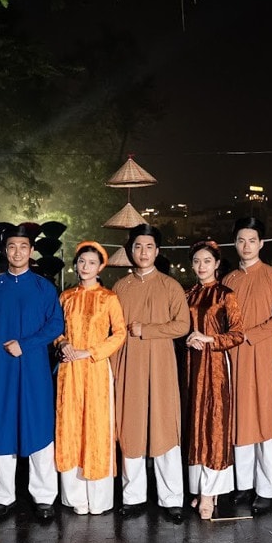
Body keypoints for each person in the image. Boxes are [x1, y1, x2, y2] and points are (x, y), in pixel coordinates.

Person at [0, 224, 64, 521]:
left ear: (31, 250)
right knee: (1, 425)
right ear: (5, 250)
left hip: (34, 368)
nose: (17, 252)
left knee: (39, 425)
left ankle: (43, 497)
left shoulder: (44, 287)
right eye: (12, 247)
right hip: (1, 369)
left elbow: (56, 326)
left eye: (23, 247)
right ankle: (2, 497)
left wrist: (26, 344)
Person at [113, 224, 190, 523]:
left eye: (149, 247)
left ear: (157, 252)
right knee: (131, 426)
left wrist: (148, 330)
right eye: (138, 247)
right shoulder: (120, 287)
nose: (143, 253)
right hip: (129, 362)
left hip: (160, 364)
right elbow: (114, 328)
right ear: (131, 251)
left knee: (163, 427)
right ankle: (133, 497)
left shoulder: (170, 286)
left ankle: (171, 498)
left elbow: (181, 325)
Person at [221, 217, 272, 515]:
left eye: (252, 240)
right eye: (241, 241)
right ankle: (244, 484)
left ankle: (269, 488)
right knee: (241, 416)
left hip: (263, 354)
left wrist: (252, 334)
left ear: (261, 244)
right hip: (234, 356)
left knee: (265, 417)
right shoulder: (228, 281)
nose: (246, 246)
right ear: (235, 244)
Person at [54, 241, 126, 516]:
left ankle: (99, 498)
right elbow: (56, 329)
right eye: (82, 262)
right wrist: (62, 344)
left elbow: (119, 333)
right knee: (70, 425)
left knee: (96, 427)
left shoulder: (109, 298)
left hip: (96, 368)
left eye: (91, 263)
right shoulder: (66, 297)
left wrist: (91, 351)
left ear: (100, 267)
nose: (85, 267)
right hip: (70, 369)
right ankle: (74, 496)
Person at [184, 240, 244, 520]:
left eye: (207, 261)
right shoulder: (188, 294)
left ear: (217, 264)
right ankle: (201, 487)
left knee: (214, 423)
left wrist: (210, 339)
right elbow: (180, 328)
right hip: (191, 365)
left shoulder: (226, 295)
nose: (201, 266)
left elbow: (238, 334)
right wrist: (187, 338)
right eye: (196, 261)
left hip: (216, 364)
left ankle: (210, 492)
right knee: (195, 423)